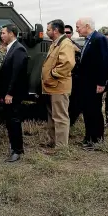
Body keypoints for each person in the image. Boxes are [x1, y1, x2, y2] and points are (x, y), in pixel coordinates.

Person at [75, 17, 108, 149]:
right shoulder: (89, 40)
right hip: (86, 84)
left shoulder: (99, 39)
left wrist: (101, 83)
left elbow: (105, 62)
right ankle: (89, 137)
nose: (76, 29)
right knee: (87, 111)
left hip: (95, 84)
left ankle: (97, 140)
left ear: (87, 26)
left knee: (94, 112)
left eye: (78, 27)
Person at [42, 19, 76, 149]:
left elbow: (67, 63)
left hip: (59, 86)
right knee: (52, 116)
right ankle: (52, 142)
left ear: (55, 31)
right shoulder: (56, 43)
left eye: (49, 30)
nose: (47, 32)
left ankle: (61, 147)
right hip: (52, 86)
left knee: (60, 117)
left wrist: (52, 74)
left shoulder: (65, 43)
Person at [0, 24, 28, 162]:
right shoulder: (11, 48)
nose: (1, 35)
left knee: (14, 121)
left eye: (3, 33)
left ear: (11, 34)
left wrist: (10, 93)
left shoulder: (18, 50)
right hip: (7, 94)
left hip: (13, 95)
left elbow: (17, 74)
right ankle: (14, 148)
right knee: (10, 121)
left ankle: (17, 150)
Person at [65, 25, 82, 126]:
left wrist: (78, 51)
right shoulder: (57, 45)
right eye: (64, 32)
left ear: (71, 34)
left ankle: (70, 123)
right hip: (62, 79)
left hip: (73, 78)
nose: (66, 34)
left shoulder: (76, 46)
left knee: (74, 102)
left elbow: (82, 60)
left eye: (68, 32)